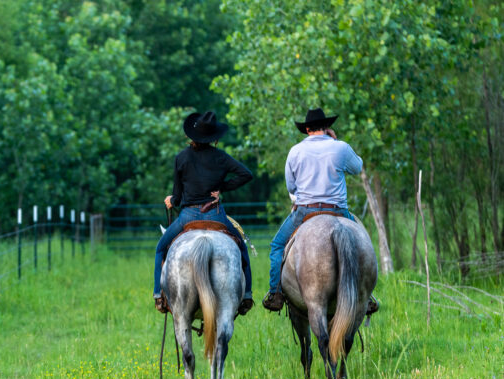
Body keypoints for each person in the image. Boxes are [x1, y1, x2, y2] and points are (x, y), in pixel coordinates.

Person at [263, 107, 371, 312]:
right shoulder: (340, 147)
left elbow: (291, 187)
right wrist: (337, 141)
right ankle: (367, 294)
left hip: (306, 211)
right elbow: (357, 167)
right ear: (327, 127)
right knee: (362, 243)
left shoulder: (295, 151)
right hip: (338, 210)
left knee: (277, 245)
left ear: (307, 129)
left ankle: (275, 292)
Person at [154, 111, 254, 315]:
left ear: (191, 136)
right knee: (242, 249)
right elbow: (246, 174)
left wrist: (171, 201)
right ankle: (247, 295)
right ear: (214, 138)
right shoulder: (221, 157)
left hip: (188, 216)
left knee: (160, 248)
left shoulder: (181, 157)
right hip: (215, 215)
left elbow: (178, 197)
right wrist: (222, 188)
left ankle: (158, 295)